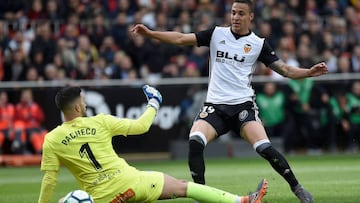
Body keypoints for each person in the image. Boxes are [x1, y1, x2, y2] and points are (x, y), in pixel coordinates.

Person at [131, 1, 328, 203]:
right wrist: (151, 34)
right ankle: (202, 195)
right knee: (195, 140)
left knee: (264, 147)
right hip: (215, 106)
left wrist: (309, 72)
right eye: (233, 12)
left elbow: (285, 70)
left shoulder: (258, 44)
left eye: (241, 13)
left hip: (243, 105)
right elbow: (181, 38)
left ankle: (298, 189)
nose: (235, 17)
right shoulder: (216, 34)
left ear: (250, 17)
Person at [38, 85, 268, 203]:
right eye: (84, 102)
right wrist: (154, 103)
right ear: (78, 108)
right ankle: (243, 201)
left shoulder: (52, 139)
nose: (86, 104)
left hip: (102, 198)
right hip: (133, 182)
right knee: (184, 187)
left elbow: (50, 180)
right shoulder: (100, 121)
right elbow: (141, 126)